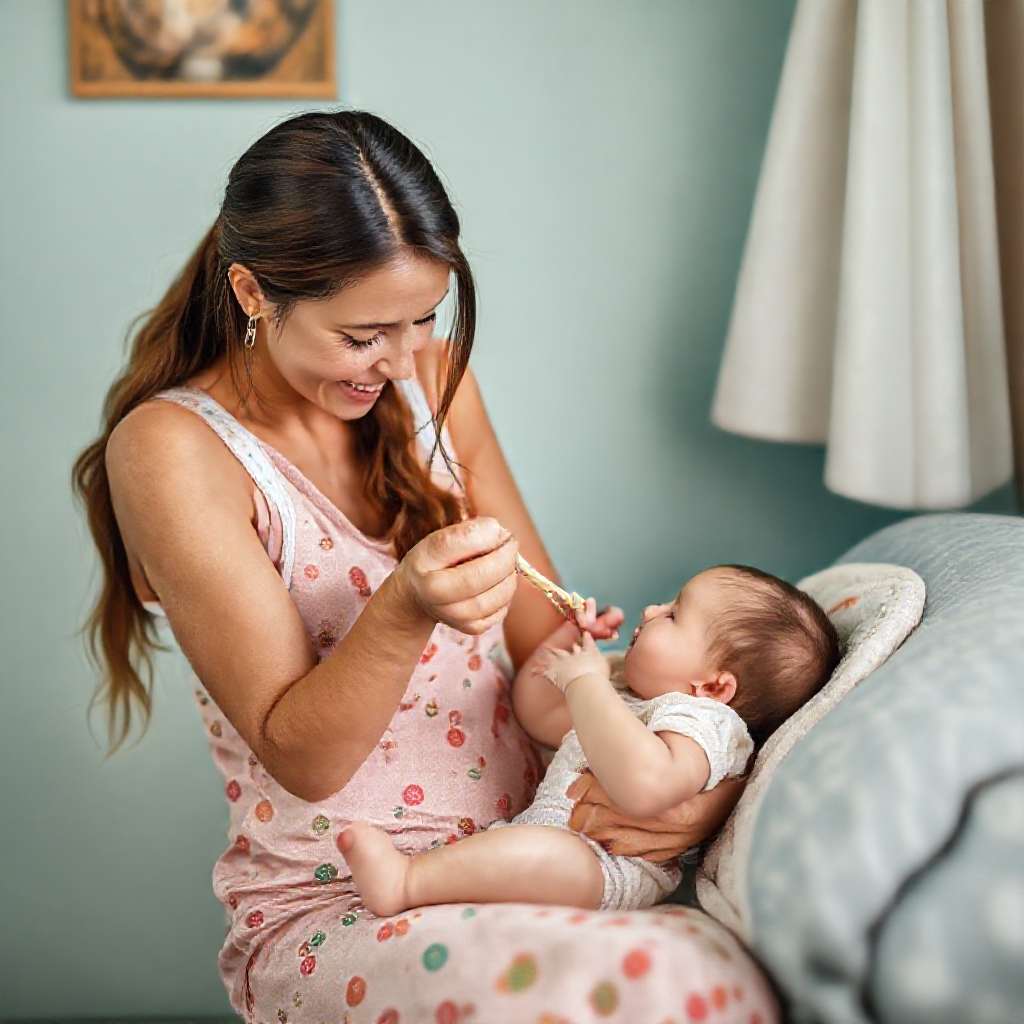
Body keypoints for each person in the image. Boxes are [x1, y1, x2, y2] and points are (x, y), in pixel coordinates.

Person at [74, 110, 777, 1023]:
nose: (404, 361)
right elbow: (302, 756)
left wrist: (658, 759)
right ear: (253, 293)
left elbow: (541, 652)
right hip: (339, 905)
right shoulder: (173, 451)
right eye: (363, 334)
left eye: (424, 318)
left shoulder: (431, 381)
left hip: (541, 854)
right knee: (652, 985)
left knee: (705, 965)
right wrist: (403, 608)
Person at [342, 566, 841, 916]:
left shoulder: (703, 723)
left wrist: (587, 683)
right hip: (557, 839)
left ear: (713, 686)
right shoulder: (627, 694)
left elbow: (648, 787)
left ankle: (406, 884)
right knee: (522, 850)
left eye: (673, 614)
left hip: (608, 868)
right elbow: (536, 712)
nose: (651, 608)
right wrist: (569, 644)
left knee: (539, 854)